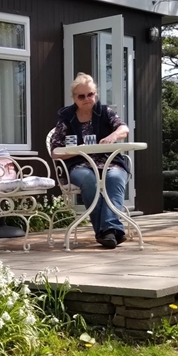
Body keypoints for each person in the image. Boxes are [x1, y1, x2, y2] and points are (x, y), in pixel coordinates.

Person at [48, 73, 131, 249]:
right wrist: (78, 150)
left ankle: (107, 231)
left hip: (109, 162)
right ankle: (110, 230)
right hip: (79, 165)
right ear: (74, 98)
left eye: (90, 94)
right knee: (89, 180)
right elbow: (55, 151)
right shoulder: (67, 118)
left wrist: (113, 136)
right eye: (81, 96)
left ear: (95, 94)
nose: (87, 99)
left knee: (115, 178)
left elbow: (124, 128)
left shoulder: (105, 112)